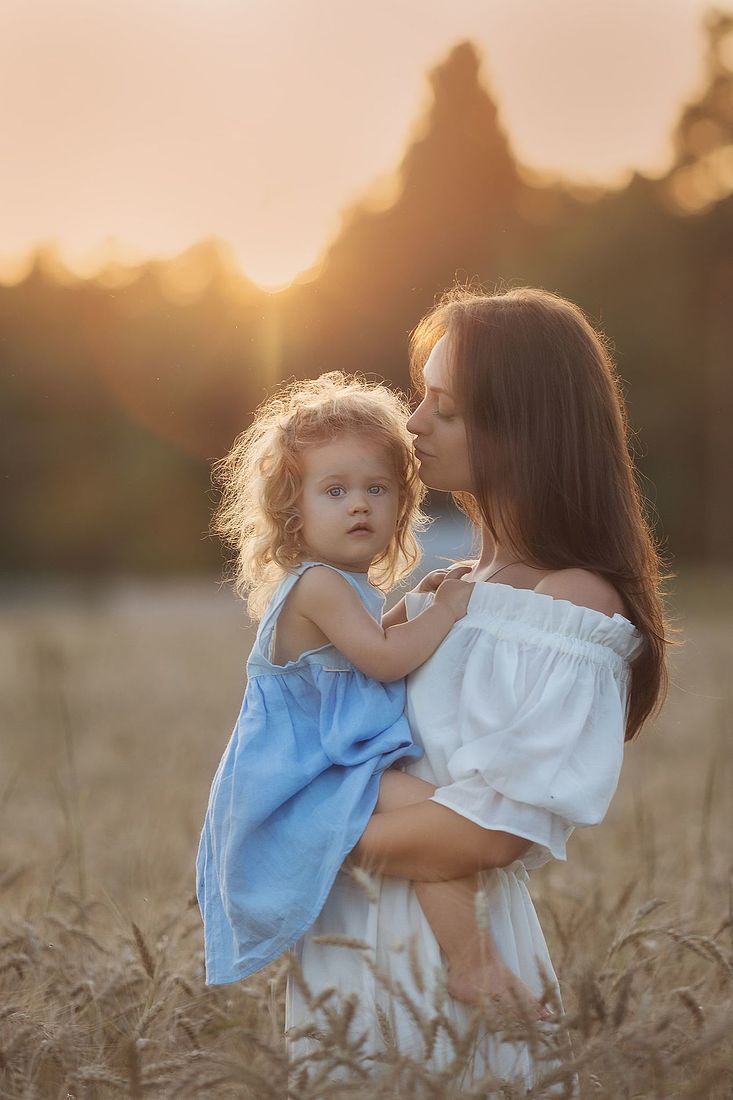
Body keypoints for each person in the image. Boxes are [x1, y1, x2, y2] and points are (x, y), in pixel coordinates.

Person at [285, 287, 669, 1089]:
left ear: (521, 427)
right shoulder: (440, 591)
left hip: (449, 973)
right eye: (420, 396)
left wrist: (296, 829)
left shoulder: (568, 608)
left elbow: (487, 836)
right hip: (344, 953)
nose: (412, 423)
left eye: (444, 408)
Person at [196, 371, 530, 1004]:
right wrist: (446, 609)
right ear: (292, 509)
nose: (359, 504)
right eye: (336, 490)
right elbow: (379, 661)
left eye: (377, 488)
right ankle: (472, 966)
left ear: (401, 503)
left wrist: (417, 603)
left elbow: (363, 645)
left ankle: (467, 961)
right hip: (311, 774)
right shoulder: (317, 583)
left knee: (442, 829)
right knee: (450, 825)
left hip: (337, 762)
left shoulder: (340, 585)